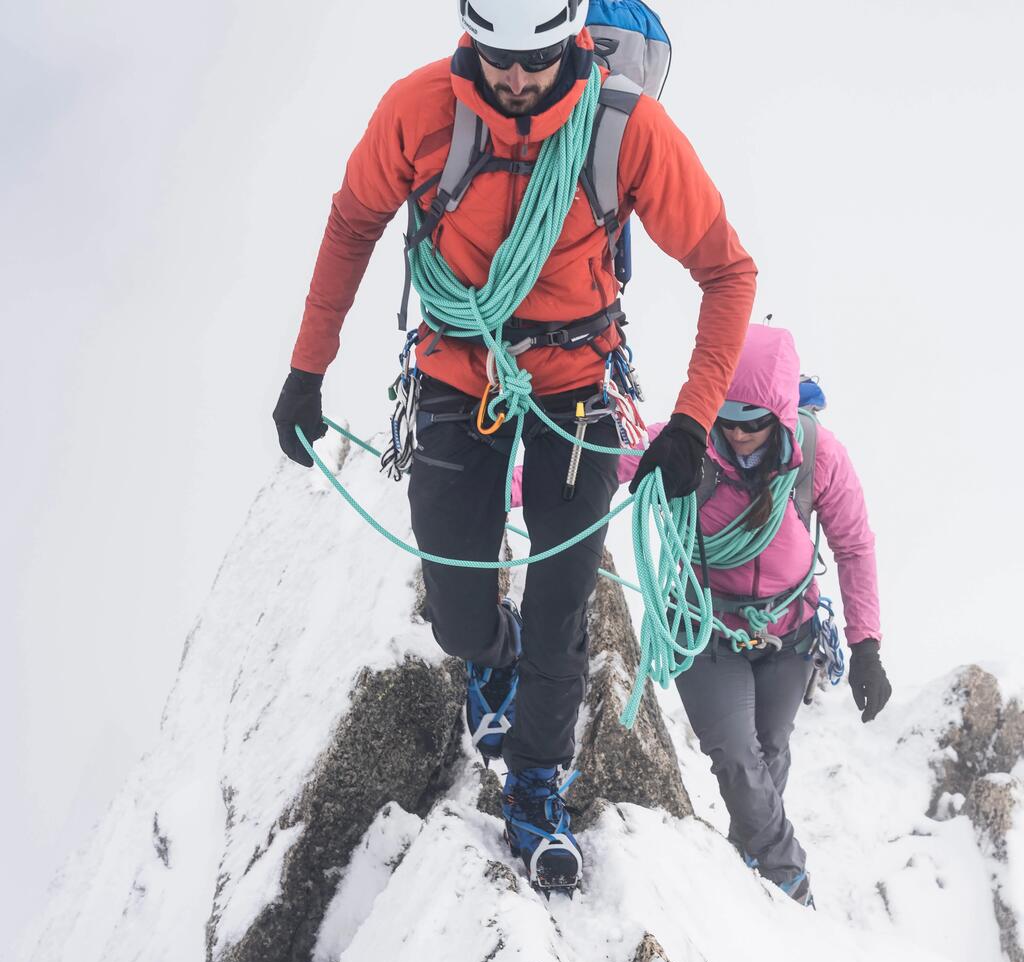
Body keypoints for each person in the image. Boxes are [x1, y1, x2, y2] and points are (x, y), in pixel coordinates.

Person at [272, 0, 757, 893]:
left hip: (578, 387)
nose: (515, 79)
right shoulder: (420, 111)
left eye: (533, 61)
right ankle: (489, 659)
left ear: (570, 42)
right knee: (456, 608)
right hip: (459, 375)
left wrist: (690, 421)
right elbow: (352, 223)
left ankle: (538, 788)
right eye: (496, 58)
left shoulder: (625, 129)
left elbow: (729, 272)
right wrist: (307, 370)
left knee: (563, 605)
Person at [620, 323, 890, 908]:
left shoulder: (818, 455)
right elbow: (605, 461)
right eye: (729, 418)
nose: (739, 434)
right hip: (705, 626)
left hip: (789, 633)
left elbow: (854, 545)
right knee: (738, 755)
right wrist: (503, 489)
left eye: (754, 421)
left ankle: (745, 870)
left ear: (781, 413)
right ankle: (787, 877)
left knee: (771, 747)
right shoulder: (687, 445)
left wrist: (865, 644)